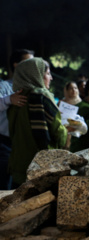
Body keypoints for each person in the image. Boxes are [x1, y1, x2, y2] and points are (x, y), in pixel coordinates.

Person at [8, 58, 68, 188]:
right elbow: (58, 132)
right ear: (36, 75)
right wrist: (67, 132)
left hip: (18, 166)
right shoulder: (41, 95)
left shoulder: (15, 99)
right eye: (47, 73)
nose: (51, 78)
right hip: (40, 167)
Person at [0, 49, 33, 190]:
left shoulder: (34, 89)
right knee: (4, 183)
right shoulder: (4, 86)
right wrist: (9, 99)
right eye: (28, 62)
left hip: (23, 144)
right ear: (16, 65)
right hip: (4, 143)